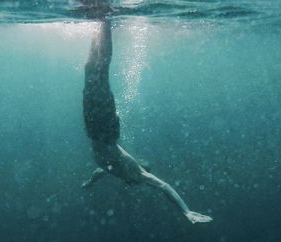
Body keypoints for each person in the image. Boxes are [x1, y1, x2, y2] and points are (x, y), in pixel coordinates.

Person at [80, 1, 212, 224]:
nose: (133, 181)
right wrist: (185, 211)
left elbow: (100, 172)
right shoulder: (137, 174)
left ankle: (100, 22)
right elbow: (164, 186)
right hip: (104, 130)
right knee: (99, 72)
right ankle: (105, 19)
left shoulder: (113, 171)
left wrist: (89, 183)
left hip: (96, 130)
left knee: (91, 70)